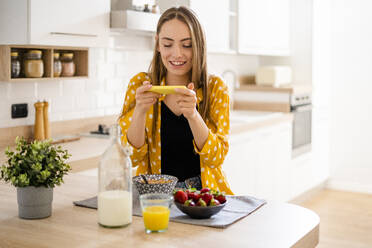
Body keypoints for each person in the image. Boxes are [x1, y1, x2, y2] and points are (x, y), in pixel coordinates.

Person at [119, 6, 233, 195]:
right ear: (157, 44)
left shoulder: (215, 87)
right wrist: (140, 111)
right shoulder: (140, 84)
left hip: (203, 197)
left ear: (198, 45)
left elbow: (216, 157)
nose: (177, 53)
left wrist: (193, 116)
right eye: (168, 44)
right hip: (155, 195)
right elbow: (131, 158)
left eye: (186, 45)